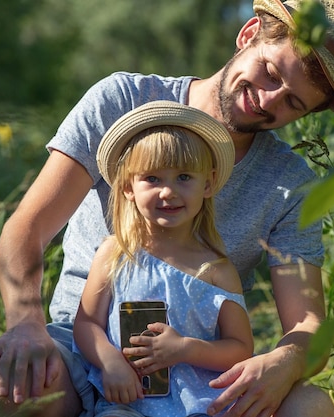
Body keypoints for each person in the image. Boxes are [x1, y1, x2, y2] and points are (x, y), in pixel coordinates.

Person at [0, 0, 334, 416]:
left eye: (293, 103)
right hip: (85, 350)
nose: (269, 100)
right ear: (249, 34)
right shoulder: (123, 101)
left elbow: (307, 326)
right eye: (270, 72)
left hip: (199, 373)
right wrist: (26, 324)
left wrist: (284, 362)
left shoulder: (287, 183)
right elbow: (26, 231)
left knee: (311, 408)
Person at [73, 101, 254, 417]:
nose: (168, 192)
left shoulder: (216, 270)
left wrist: (185, 348)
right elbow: (87, 323)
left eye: (184, 177)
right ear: (129, 186)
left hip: (199, 406)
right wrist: (110, 361)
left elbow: (240, 348)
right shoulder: (114, 254)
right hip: (128, 402)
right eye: (153, 179)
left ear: (208, 183)